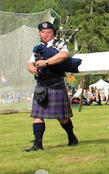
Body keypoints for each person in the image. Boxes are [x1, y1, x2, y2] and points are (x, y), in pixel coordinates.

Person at [25, 21, 78, 152]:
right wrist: (33, 69)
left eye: (42, 32)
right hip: (41, 85)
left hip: (55, 84)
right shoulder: (38, 48)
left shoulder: (59, 44)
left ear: (50, 33)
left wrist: (46, 62)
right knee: (37, 115)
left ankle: (71, 137)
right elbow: (29, 64)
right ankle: (38, 144)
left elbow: (64, 55)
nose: (40, 34)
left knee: (62, 118)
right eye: (40, 32)